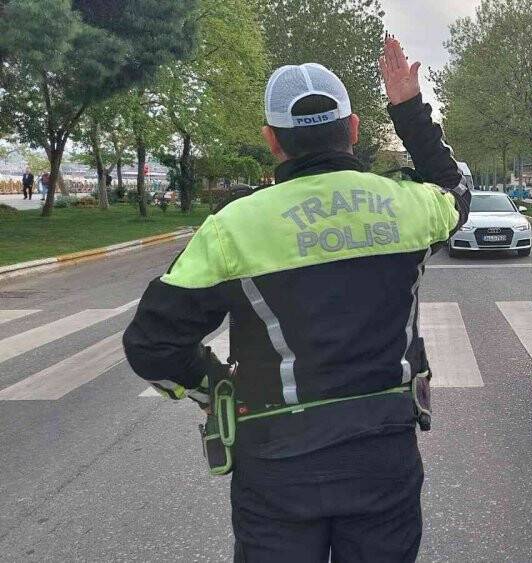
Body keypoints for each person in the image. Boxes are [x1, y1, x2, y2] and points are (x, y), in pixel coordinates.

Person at [122, 36, 470, 562]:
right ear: (354, 129)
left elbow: (151, 345)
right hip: (382, 457)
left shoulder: (233, 228)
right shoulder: (408, 207)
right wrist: (408, 110)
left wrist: (215, 385)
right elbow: (455, 192)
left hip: (277, 467)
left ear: (271, 139)